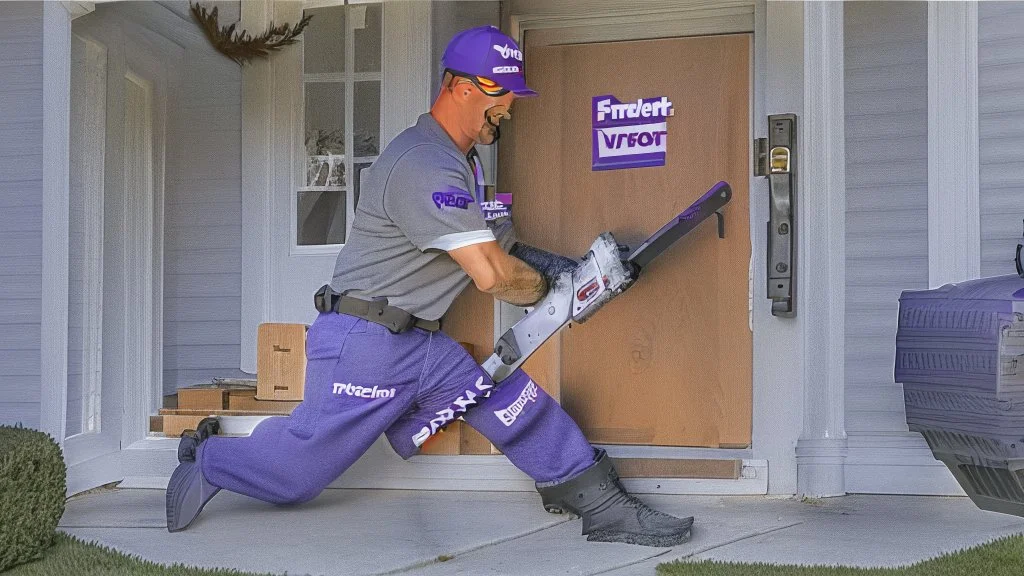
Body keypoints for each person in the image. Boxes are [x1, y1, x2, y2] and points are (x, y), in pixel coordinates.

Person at [166, 25, 693, 547]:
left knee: (510, 401)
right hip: (365, 342)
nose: (509, 106)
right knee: (298, 475)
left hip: (419, 343)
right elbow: (492, 275)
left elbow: (504, 249)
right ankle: (207, 458)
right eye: (499, 93)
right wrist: (573, 290)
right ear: (459, 86)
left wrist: (579, 271)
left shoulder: (463, 163)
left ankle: (601, 506)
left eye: (511, 94)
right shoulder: (422, 164)